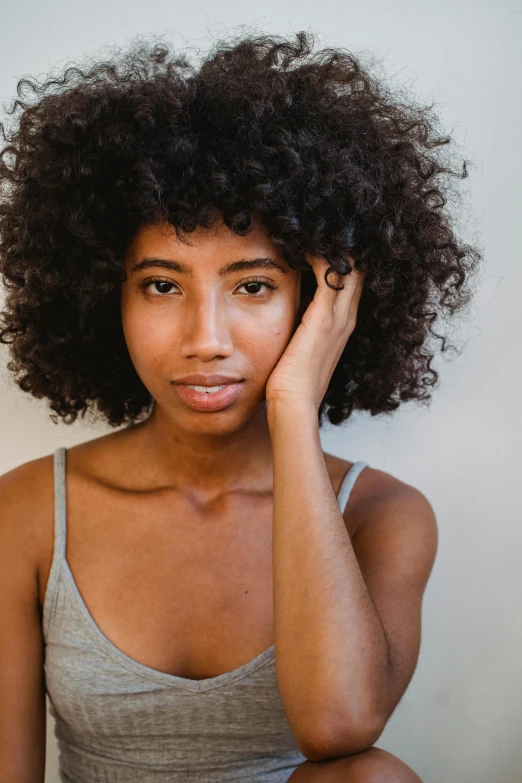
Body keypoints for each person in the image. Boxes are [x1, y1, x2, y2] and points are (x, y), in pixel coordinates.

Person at [0, 30, 481, 783]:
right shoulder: (29, 510)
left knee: (371, 776)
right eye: (162, 284)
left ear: (319, 300)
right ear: (105, 294)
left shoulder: (382, 515)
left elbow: (339, 724)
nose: (205, 339)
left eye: (253, 285)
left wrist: (294, 405)